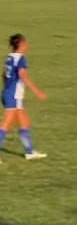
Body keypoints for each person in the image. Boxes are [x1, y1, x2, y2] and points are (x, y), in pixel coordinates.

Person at [2, 34, 48, 162]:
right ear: (21, 44)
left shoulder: (9, 57)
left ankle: (29, 152)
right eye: (25, 43)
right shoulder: (21, 58)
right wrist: (37, 91)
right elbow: (23, 76)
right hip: (14, 96)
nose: (27, 45)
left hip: (9, 93)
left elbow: (4, 75)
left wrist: (7, 88)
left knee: (25, 122)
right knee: (5, 125)